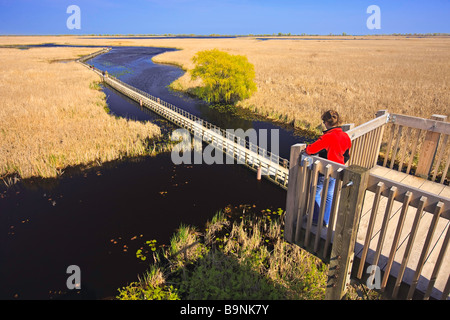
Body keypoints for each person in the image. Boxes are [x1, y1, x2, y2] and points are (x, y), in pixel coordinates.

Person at [304, 110, 351, 227]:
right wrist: (338, 163)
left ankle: (316, 219)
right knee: (329, 194)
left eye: (324, 122)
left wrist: (306, 148)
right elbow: (347, 155)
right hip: (337, 171)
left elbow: (310, 150)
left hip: (324, 171)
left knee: (314, 191)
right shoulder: (345, 136)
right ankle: (325, 220)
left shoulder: (328, 137)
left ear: (326, 122)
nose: (324, 124)